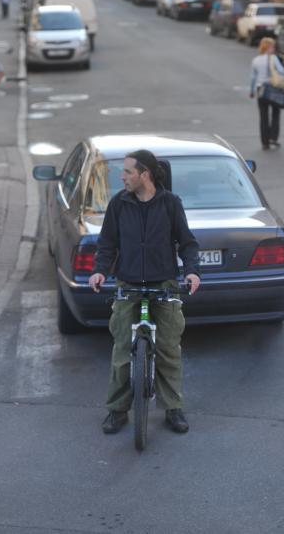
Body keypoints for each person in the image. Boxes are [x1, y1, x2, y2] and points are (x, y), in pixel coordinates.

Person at [89, 150, 201, 436]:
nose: (122, 176)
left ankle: (173, 408)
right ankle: (117, 410)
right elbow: (107, 243)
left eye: (127, 172)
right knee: (122, 350)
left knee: (167, 349)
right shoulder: (119, 204)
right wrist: (100, 270)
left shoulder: (170, 204)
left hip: (163, 283)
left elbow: (187, 243)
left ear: (145, 175)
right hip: (128, 284)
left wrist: (191, 271)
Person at [249, 37, 284, 150]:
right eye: (273, 47)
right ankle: (273, 138)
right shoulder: (274, 58)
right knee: (275, 113)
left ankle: (264, 142)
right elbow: (281, 71)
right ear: (269, 47)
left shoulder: (255, 60)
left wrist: (252, 91)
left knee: (263, 116)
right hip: (273, 88)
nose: (274, 49)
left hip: (261, 89)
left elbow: (253, 78)